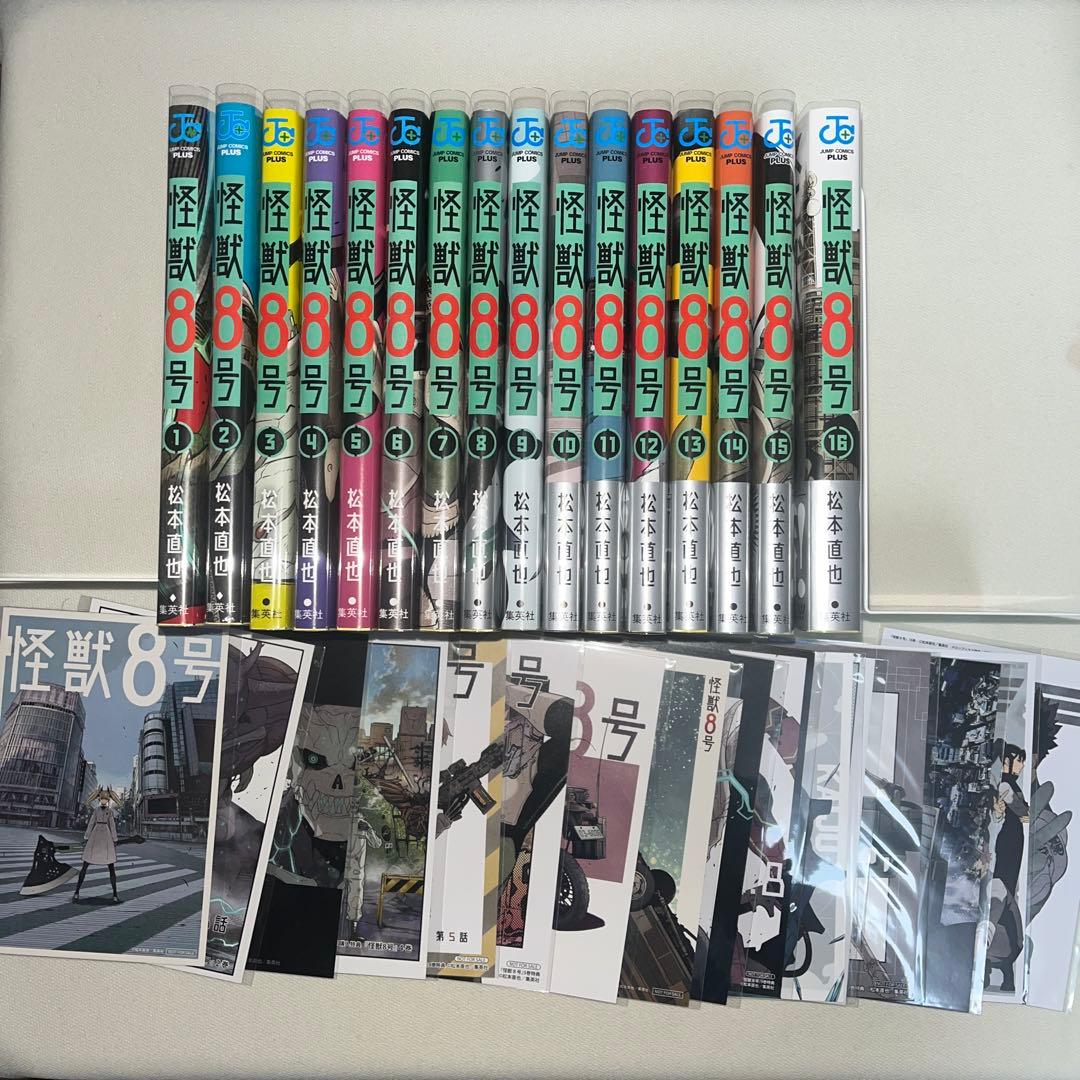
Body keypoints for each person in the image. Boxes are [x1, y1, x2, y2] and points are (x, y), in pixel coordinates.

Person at [73, 794, 120, 904]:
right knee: (85, 864)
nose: (103, 800)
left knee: (111, 865)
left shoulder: (110, 811)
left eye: (105, 799)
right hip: (95, 835)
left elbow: (112, 825)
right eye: (102, 799)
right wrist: (86, 836)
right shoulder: (96, 810)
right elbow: (91, 823)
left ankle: (115, 894)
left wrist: (114, 838)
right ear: (100, 800)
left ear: (107, 801)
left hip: (106, 836)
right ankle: (76, 892)